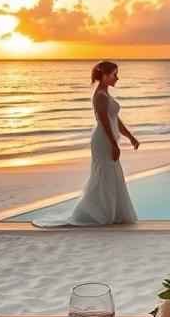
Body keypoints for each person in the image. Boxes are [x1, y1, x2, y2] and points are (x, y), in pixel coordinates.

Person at [33, 61, 138, 226]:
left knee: (111, 175)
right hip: (103, 141)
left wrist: (130, 137)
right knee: (104, 175)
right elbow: (104, 122)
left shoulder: (106, 94)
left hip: (107, 139)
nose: (117, 78)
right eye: (114, 74)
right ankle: (97, 213)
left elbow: (115, 120)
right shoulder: (101, 96)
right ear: (104, 76)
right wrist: (113, 143)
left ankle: (111, 212)